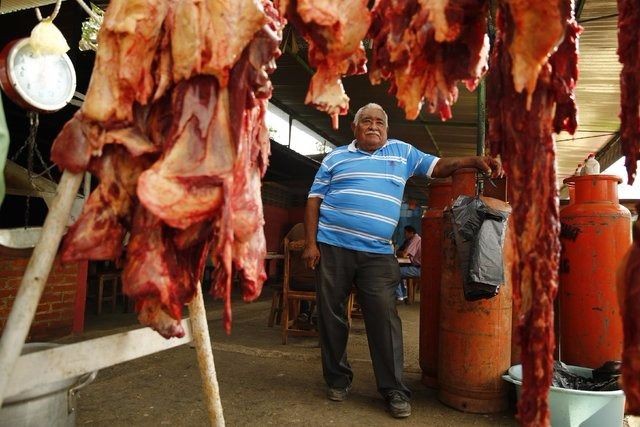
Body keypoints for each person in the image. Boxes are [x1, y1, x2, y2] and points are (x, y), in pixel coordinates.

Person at [301, 103, 502, 419]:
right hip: (333, 246)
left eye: (379, 122)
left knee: (384, 319)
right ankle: (337, 379)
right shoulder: (335, 157)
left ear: (386, 129)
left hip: (379, 252)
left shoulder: (402, 153)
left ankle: (394, 390)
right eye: (366, 121)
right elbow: (314, 200)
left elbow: (438, 166)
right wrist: (311, 244)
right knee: (331, 316)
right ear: (355, 128)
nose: (373, 126)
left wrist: (473, 160)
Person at [395, 225, 421, 303]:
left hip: (419, 268)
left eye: (405, 233)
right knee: (397, 269)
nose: (404, 235)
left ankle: (399, 296)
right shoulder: (411, 240)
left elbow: (404, 254)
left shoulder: (416, 239)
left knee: (394, 271)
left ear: (411, 233)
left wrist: (396, 252)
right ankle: (403, 295)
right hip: (416, 266)